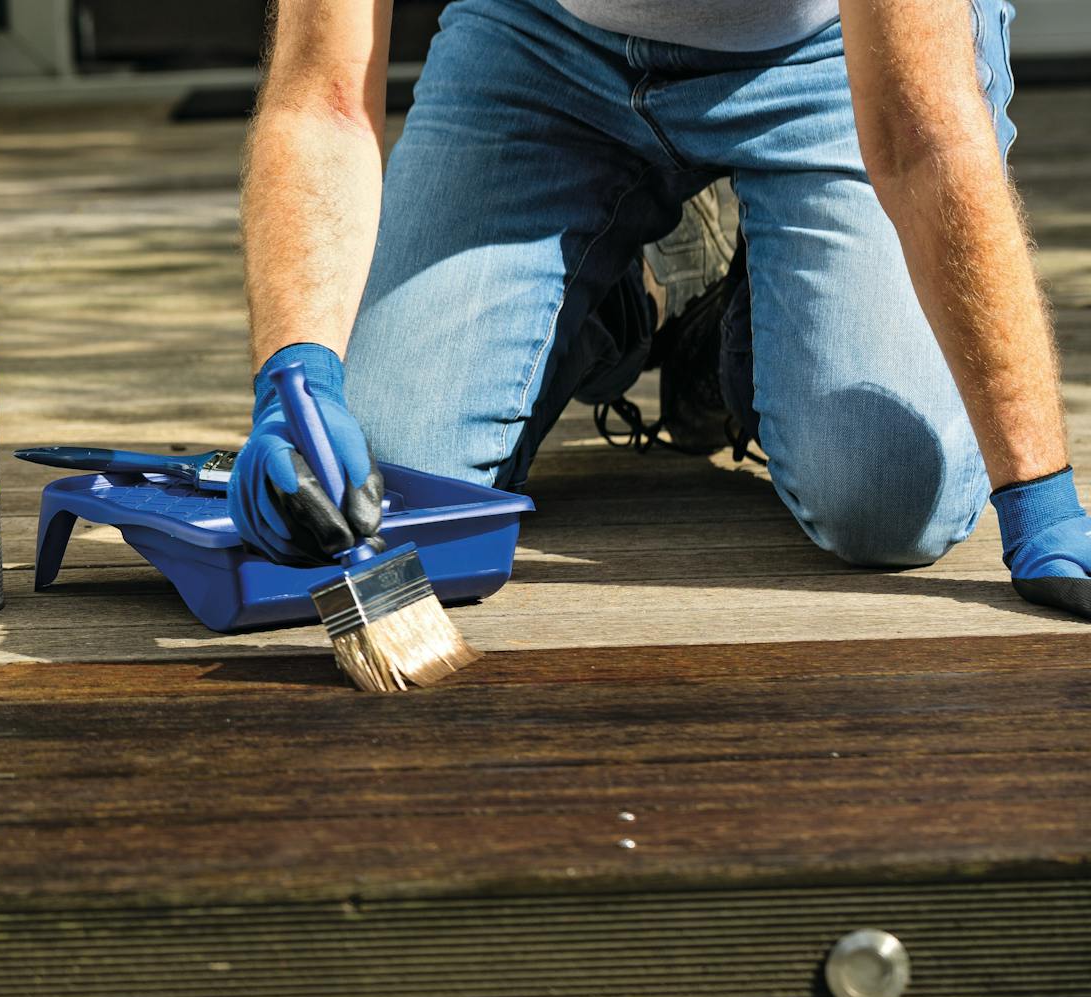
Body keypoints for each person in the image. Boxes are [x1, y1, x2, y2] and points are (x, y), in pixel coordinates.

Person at [228, 0, 1091, 619]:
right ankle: (613, 289)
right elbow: (319, 98)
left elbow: (917, 136)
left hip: (832, 54)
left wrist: (1039, 498)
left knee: (887, 498)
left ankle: (743, 313)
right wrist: (296, 372)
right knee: (381, 478)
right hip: (542, 44)